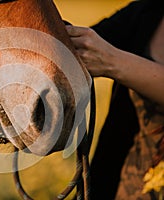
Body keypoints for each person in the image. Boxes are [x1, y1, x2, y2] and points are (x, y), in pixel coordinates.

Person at [65, 0, 164, 199]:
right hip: (123, 185)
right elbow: (75, 49)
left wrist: (112, 62)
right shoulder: (146, 12)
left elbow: (103, 54)